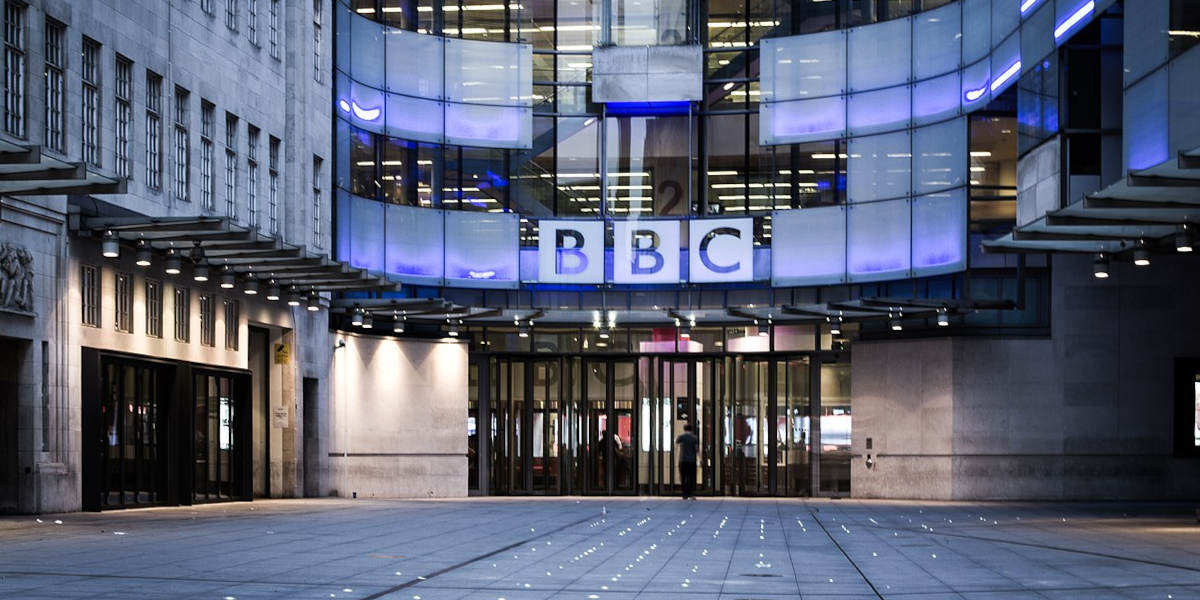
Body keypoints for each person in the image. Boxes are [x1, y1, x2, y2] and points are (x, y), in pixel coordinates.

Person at [675, 423, 699, 499]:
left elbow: (676, 443)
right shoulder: (694, 438)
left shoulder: (681, 437)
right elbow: (696, 449)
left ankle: (684, 494)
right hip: (692, 461)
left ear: (684, 429)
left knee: (683, 477)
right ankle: (691, 494)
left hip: (683, 460)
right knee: (691, 477)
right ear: (691, 430)